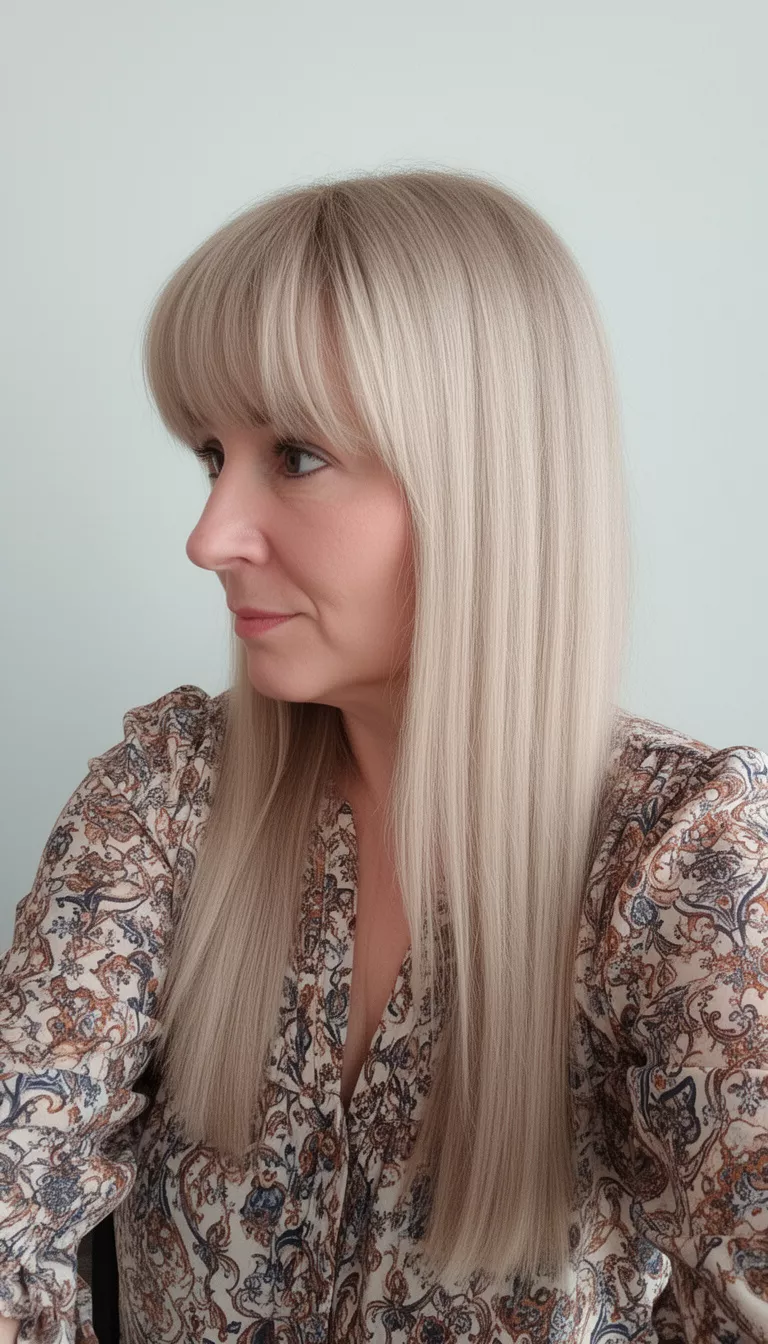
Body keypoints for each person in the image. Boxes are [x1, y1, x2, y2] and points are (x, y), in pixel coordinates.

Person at [1, 168, 767, 1344]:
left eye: (295, 455)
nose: (208, 536)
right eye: (212, 453)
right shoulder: (167, 798)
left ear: (484, 484)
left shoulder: (680, 866)